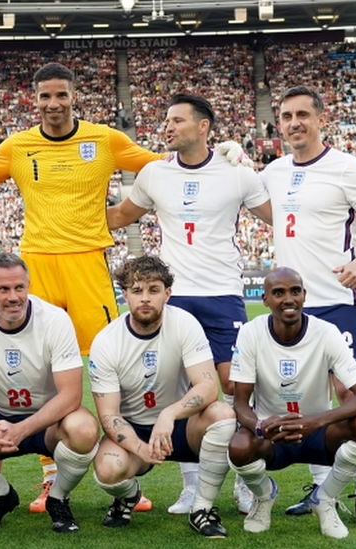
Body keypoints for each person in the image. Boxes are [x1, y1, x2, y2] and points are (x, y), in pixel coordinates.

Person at [0, 63, 248, 512]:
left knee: (116, 364)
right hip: (39, 267)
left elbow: (165, 165)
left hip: (89, 265)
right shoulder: (17, 146)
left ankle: (128, 468)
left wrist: (223, 153)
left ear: (74, 96)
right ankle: (51, 480)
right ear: (35, 100)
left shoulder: (104, 140)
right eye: (45, 96)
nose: (53, 104)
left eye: (61, 95)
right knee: (44, 374)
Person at [106, 94, 272, 515]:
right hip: (174, 297)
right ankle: (192, 485)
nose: (167, 126)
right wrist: (60, 209)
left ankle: (243, 477)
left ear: (203, 127)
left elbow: (282, 214)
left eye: (177, 120)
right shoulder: (153, 174)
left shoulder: (237, 173)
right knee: (182, 388)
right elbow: (120, 216)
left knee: (233, 389)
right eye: (166, 120)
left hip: (222, 294)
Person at [260, 86, 356, 527]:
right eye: (285, 116)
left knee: (351, 397)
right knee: (309, 396)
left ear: (321, 119)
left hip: (337, 299)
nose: (294, 122)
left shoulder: (345, 167)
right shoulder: (275, 171)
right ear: (277, 124)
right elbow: (273, 213)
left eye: (302, 114)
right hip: (292, 306)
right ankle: (324, 491)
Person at [0, 253, 99, 534]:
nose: (13, 297)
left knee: (84, 429)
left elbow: (71, 396)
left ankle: (58, 497)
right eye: (3, 289)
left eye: (19, 287)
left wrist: (21, 430)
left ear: (28, 286)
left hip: (47, 418)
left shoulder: (55, 319)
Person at [88, 255, 235, 539]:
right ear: (124, 295)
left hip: (182, 426)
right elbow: (109, 415)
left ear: (167, 293)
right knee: (107, 469)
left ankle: (202, 509)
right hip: (136, 430)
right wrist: (141, 449)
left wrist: (169, 414)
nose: (145, 298)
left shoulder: (185, 323)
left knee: (222, 415)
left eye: (153, 290)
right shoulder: (106, 341)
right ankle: (128, 496)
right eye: (136, 290)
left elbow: (207, 387)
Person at [228, 268, 356, 539]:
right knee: (239, 446)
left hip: (319, 434)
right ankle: (264, 497)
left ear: (304, 295)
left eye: (295, 291)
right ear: (265, 300)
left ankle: (324, 499)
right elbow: (240, 403)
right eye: (278, 293)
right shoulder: (251, 333)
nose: (289, 299)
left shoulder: (326, 332)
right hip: (273, 435)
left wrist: (317, 421)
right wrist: (261, 427)